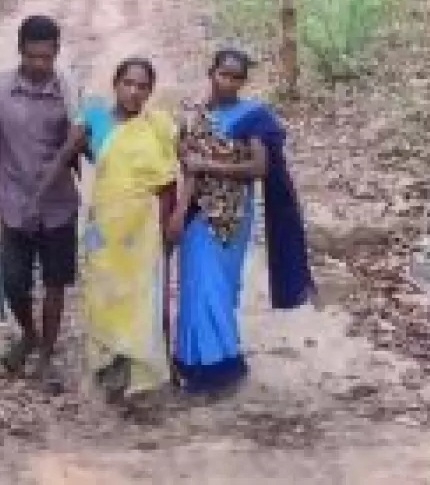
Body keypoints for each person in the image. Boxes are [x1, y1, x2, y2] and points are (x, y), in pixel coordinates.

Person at [36, 57, 184, 410]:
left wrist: (170, 225)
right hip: (104, 224)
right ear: (115, 84)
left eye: (142, 86)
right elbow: (68, 155)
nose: (134, 92)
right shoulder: (94, 118)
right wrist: (37, 199)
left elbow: (168, 182)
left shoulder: (158, 126)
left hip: (143, 227)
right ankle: (108, 363)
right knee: (101, 293)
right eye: (128, 83)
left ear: (150, 91)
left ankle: (142, 376)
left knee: (143, 297)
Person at [171, 48, 314, 395]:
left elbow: (258, 168)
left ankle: (222, 367)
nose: (230, 82)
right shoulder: (195, 115)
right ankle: (192, 364)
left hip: (232, 215)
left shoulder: (253, 115)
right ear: (211, 72)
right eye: (224, 74)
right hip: (196, 211)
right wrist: (178, 211)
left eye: (237, 77)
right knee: (194, 285)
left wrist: (209, 167)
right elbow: (186, 164)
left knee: (215, 285)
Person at [0, 15, 81, 390]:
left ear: (56, 53)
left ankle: (48, 353)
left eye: (47, 58)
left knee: (55, 283)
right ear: (20, 50)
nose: (39, 65)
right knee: (13, 282)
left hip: (58, 206)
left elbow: (84, 142)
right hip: (14, 205)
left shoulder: (69, 91)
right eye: (32, 56)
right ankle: (29, 334)